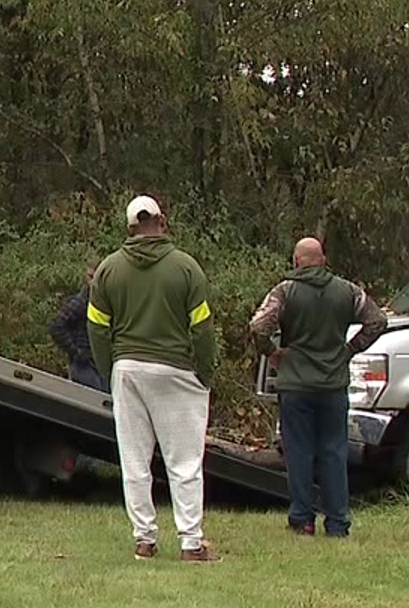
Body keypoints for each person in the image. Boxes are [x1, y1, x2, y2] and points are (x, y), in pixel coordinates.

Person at [88, 195, 219, 562]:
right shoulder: (186, 267)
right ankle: (192, 542)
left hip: (127, 368)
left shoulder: (109, 270)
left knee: (134, 461)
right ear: (163, 220)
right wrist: (204, 371)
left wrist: (109, 367)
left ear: (129, 228)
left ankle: (144, 539)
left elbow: (97, 328)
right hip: (176, 369)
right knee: (184, 462)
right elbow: (203, 327)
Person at [247, 236, 387, 537]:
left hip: (295, 384)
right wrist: (349, 350)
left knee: (299, 452)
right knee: (334, 452)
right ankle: (337, 522)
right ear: (323, 259)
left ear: (296, 261)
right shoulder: (348, 291)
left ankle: (303, 519)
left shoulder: (285, 291)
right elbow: (377, 321)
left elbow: (258, 326)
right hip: (334, 384)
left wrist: (272, 353)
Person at [49, 261, 107, 391]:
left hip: (100, 363)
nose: (92, 282)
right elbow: (56, 326)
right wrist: (76, 351)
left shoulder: (106, 301)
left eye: (95, 277)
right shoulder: (81, 302)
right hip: (84, 365)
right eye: (90, 277)